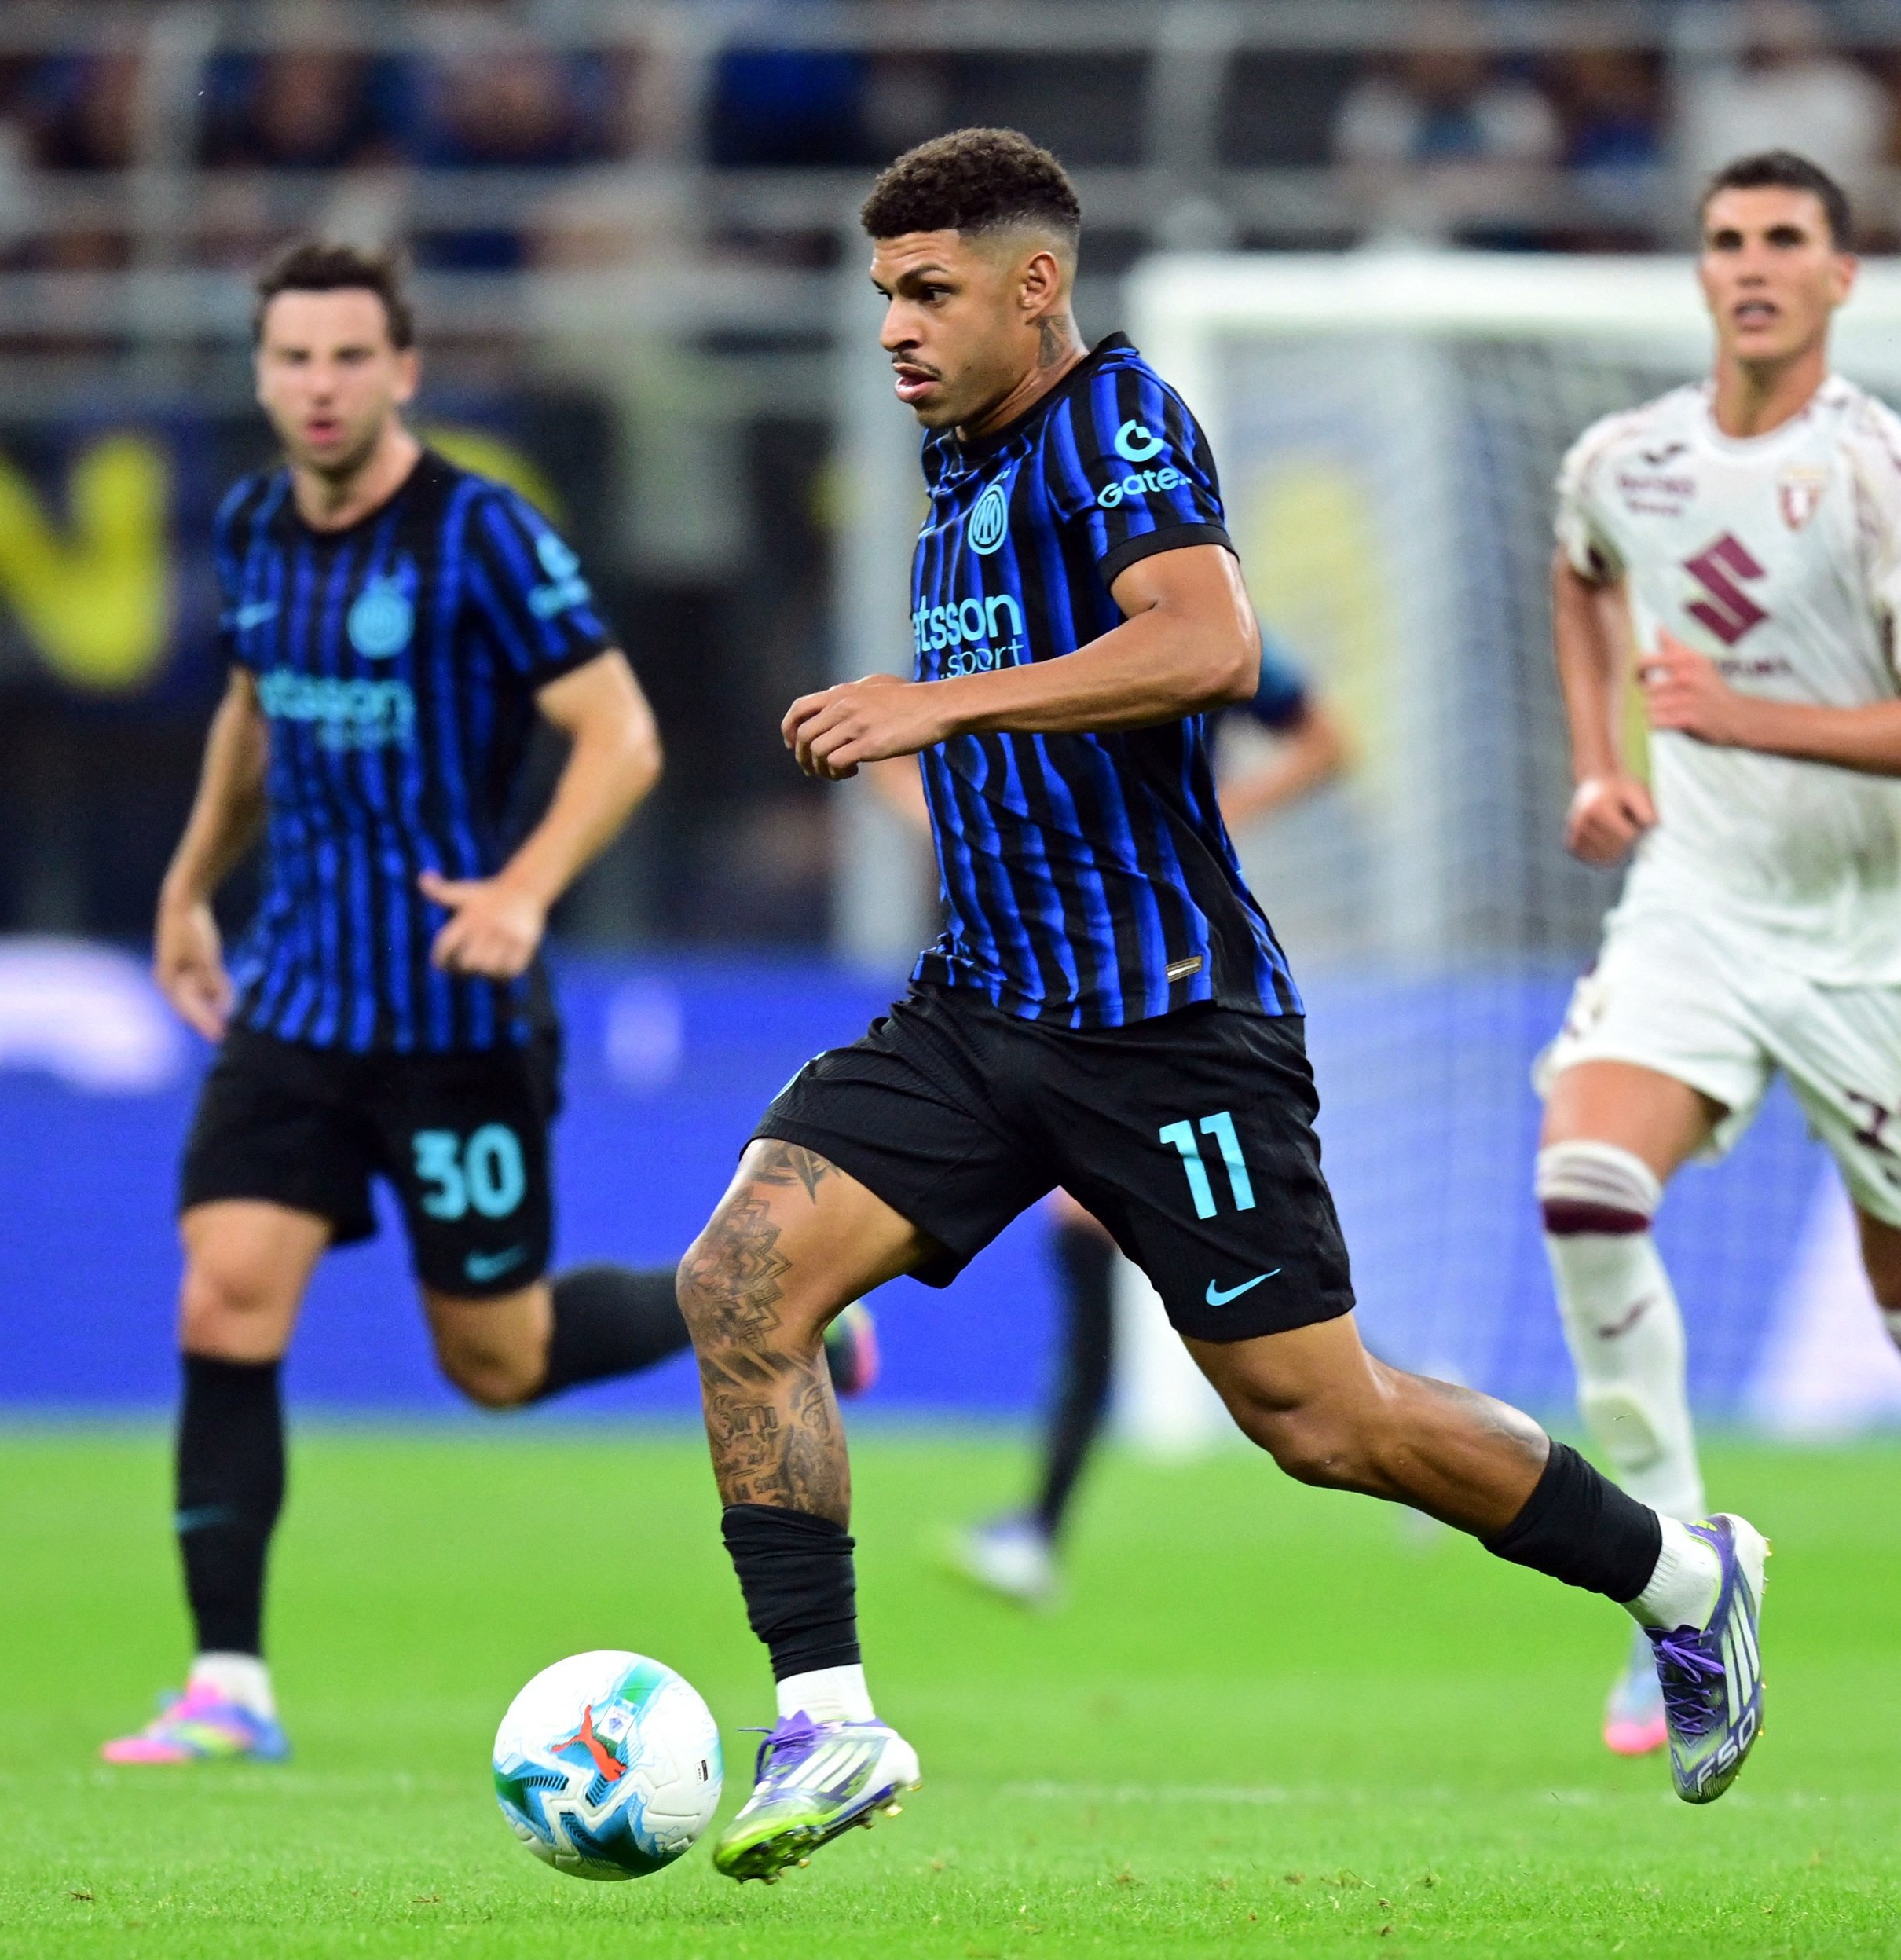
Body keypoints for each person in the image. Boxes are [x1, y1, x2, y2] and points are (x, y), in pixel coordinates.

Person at [679, 128, 1774, 1885]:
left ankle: (1678, 1574)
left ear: (1035, 284)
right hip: (982, 1006)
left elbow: (1206, 643)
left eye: (929, 291)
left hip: (1164, 1023)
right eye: (882, 293)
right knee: (740, 1279)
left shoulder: (1114, 421)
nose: (893, 326)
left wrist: (940, 704)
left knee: (1322, 1420)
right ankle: (826, 1715)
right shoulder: (961, 461)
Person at [100, 241, 869, 1766]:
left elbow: (620, 733)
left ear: (401, 371)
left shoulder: (480, 535)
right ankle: (226, 1684)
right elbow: (252, 714)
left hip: (456, 1016)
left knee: (495, 1363)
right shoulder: (251, 528)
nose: (319, 385)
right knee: (222, 1294)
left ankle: (764, 1313)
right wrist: (189, 884)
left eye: (348, 357)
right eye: (293, 358)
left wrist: (522, 887)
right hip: (296, 1001)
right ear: (264, 375)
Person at [1539, 151, 1901, 1797]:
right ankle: (1673, 1589)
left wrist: (1740, 716)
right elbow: (1579, 572)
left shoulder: (1878, 474)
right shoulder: (1621, 459)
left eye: (1785, 239)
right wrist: (1597, 758)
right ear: (1699, 272)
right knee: (1581, 1188)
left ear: (1840, 277)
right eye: (1726, 240)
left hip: (1878, 946)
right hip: (1697, 907)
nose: (1752, 263)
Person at [938, 649, 1351, 1607]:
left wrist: (1225, 811)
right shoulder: (1028, 626)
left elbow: (1324, 739)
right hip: (1074, 982)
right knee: (1162, 1256)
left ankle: (1040, 1528)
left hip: (1173, 985)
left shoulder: (1202, 636)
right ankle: (1038, 1528)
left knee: (1244, 1305)